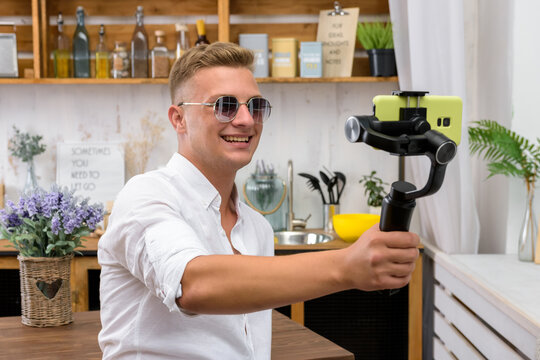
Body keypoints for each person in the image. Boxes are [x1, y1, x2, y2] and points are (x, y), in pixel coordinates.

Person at [98, 42, 420, 359]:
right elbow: (193, 285)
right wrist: (346, 266)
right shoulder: (146, 195)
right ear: (178, 118)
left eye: (255, 106)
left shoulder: (258, 229)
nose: (246, 120)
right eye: (225, 105)